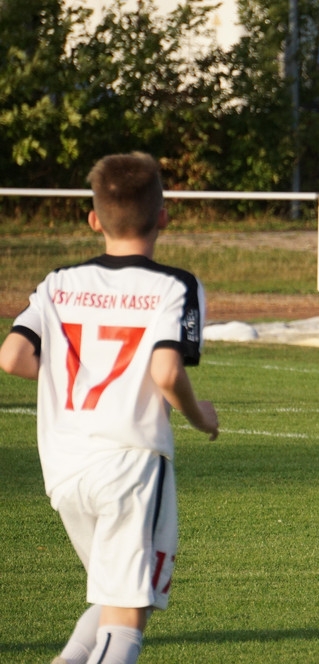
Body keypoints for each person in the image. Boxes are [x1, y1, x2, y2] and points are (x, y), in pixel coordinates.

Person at [0, 152, 219, 664]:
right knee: (125, 622)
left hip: (64, 468)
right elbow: (166, 372)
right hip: (129, 463)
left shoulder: (58, 283)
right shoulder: (175, 285)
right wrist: (200, 416)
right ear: (163, 216)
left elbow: (12, 356)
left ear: (94, 220)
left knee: (114, 594)